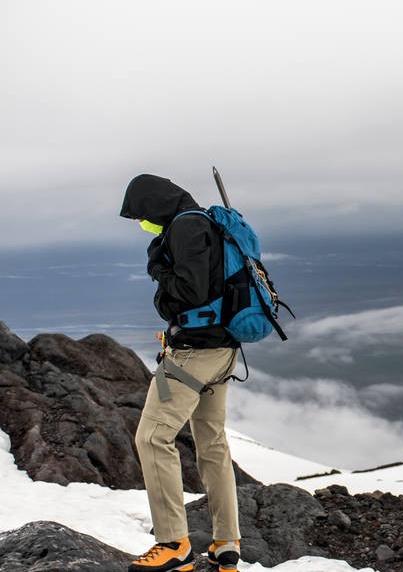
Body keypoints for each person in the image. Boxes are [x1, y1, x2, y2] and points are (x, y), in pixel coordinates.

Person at [119, 174, 242, 572]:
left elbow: (188, 291)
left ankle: (174, 544)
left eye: (140, 214)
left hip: (193, 355)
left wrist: (158, 270)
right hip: (222, 350)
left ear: (154, 204)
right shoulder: (204, 221)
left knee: (153, 438)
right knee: (212, 443)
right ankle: (227, 542)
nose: (142, 223)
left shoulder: (186, 226)